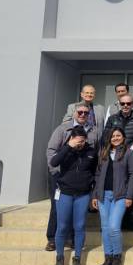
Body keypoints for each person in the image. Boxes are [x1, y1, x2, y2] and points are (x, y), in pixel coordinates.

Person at [45, 103, 99, 252]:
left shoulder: (93, 131)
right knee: (57, 208)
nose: (83, 115)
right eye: (80, 112)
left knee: (76, 212)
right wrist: (55, 171)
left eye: (86, 113)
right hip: (60, 175)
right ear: (74, 113)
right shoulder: (62, 129)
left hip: (80, 178)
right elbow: (51, 150)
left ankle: (72, 239)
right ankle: (52, 238)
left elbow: (96, 152)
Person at [49, 125, 97, 265]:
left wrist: (93, 192)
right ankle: (59, 259)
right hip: (65, 193)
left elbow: (95, 173)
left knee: (80, 226)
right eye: (77, 140)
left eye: (82, 141)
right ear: (71, 139)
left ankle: (77, 259)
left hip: (83, 194)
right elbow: (54, 162)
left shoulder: (91, 152)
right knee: (62, 226)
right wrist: (68, 147)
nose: (80, 144)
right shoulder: (65, 149)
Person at [91, 127, 133, 265]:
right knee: (105, 228)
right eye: (113, 136)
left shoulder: (128, 153)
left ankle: (117, 257)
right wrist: (95, 195)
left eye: (118, 135)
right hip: (103, 195)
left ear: (123, 137)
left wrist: (129, 196)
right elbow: (98, 175)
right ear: (109, 139)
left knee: (114, 227)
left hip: (120, 196)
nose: (115, 138)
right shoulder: (103, 153)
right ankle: (108, 258)